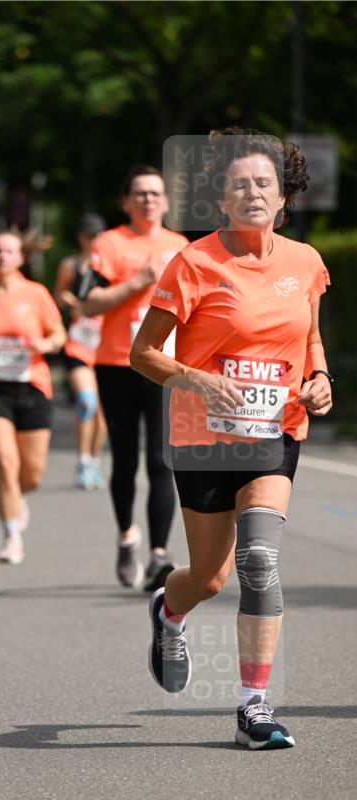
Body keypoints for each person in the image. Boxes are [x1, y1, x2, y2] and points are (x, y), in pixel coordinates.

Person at [131, 128, 332, 750]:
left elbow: (309, 341)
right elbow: (142, 354)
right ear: (220, 200)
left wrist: (321, 378)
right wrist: (196, 380)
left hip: (275, 430)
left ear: (283, 198)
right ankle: (170, 610)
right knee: (211, 577)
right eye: (238, 184)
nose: (251, 193)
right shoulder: (193, 263)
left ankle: (253, 706)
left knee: (259, 559)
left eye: (263, 184)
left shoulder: (304, 262)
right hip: (201, 435)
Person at [82, 166, 188, 589]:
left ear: (165, 202)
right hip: (117, 363)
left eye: (155, 193)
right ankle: (128, 536)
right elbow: (90, 303)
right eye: (139, 194)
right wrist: (140, 280)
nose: (148, 200)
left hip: (165, 365)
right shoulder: (109, 244)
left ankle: (159, 555)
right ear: (126, 202)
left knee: (162, 461)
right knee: (125, 460)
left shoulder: (180, 246)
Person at [0, 231, 66, 564]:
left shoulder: (35, 293)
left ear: (20, 257)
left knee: (31, 474)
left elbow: (58, 333)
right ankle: (12, 535)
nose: (1, 256)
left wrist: (47, 344)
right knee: (4, 463)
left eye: (8, 251)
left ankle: (14, 496)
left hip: (32, 386)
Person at [54, 213, 107, 490]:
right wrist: (68, 300)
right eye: (88, 236)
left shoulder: (112, 266)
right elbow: (58, 297)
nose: (93, 240)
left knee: (103, 411)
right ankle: (83, 459)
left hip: (106, 344)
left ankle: (94, 459)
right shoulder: (70, 265)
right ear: (81, 238)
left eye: (97, 235)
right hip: (78, 343)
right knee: (87, 401)